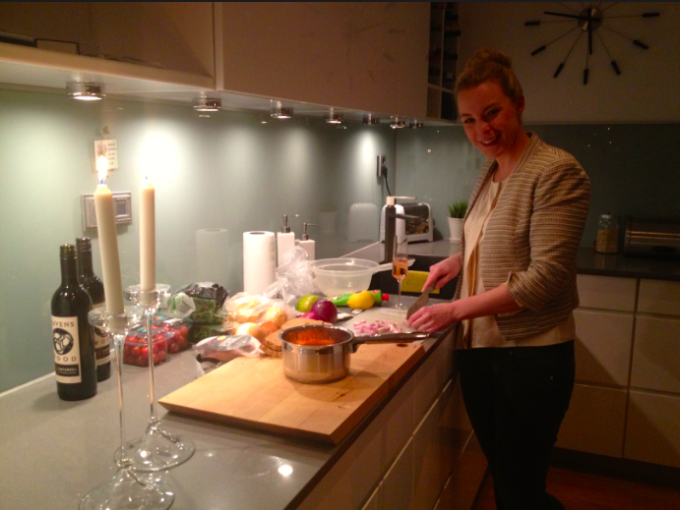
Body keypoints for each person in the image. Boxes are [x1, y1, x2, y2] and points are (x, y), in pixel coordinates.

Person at [407, 48, 590, 510]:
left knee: (518, 489)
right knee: (512, 482)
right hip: (483, 353)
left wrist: (454, 310)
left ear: (519, 104)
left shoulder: (556, 171)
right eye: (469, 121)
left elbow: (545, 279)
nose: (481, 130)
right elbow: (495, 236)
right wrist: (459, 260)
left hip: (530, 358)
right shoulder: (491, 171)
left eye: (491, 113)